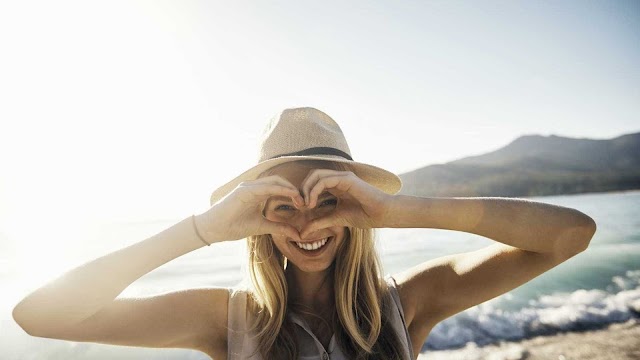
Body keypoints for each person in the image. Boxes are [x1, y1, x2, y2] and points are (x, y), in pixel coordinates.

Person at [13, 107, 597, 360]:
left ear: (356, 204)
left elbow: (570, 234)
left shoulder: (409, 304)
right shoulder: (229, 321)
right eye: (281, 202)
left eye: (329, 199)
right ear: (256, 218)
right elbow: (42, 316)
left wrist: (394, 210)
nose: (307, 222)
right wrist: (203, 230)